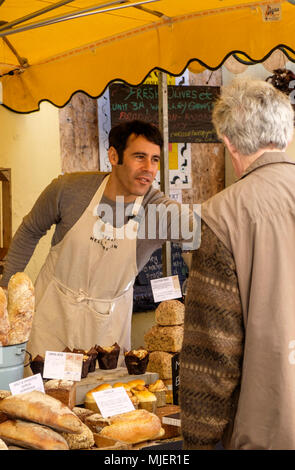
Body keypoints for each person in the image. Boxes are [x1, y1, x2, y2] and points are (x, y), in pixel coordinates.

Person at [0, 120, 197, 363]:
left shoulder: (157, 211)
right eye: (139, 157)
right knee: (42, 398)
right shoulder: (69, 190)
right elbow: (30, 230)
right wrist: (4, 293)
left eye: (155, 159)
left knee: (98, 395)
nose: (149, 168)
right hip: (52, 321)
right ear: (114, 156)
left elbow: (201, 233)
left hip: (107, 335)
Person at [179, 77, 295, 450]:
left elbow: (212, 354)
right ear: (286, 135)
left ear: (228, 142)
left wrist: (197, 442)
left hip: (269, 433)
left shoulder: (220, 217)